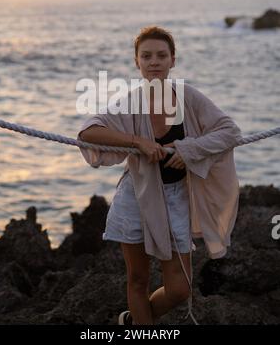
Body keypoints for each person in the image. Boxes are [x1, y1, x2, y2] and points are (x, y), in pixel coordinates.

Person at [77, 26, 242, 325]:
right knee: (138, 280)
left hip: (176, 198)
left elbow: (229, 131)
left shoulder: (187, 97)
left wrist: (189, 150)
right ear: (136, 61)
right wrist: (137, 142)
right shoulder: (130, 102)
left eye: (161, 55)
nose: (154, 61)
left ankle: (134, 322)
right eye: (146, 56)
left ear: (173, 60)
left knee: (180, 289)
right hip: (136, 197)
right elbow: (88, 132)